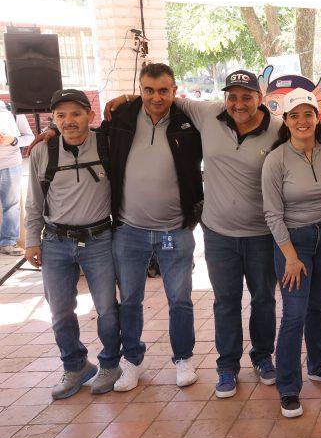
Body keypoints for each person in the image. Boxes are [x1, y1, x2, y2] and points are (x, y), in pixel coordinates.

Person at [108, 70, 283, 398]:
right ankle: (227, 366)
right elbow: (163, 98)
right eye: (233, 96)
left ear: (260, 98)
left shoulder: (277, 128)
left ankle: (262, 357)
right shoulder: (208, 114)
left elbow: (303, 145)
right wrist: (129, 97)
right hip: (217, 234)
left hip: (260, 233)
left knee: (263, 299)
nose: (239, 103)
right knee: (225, 302)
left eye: (247, 97)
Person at [102, 63, 204, 392]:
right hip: (129, 231)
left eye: (163, 90)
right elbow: (91, 139)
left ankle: (183, 359)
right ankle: (132, 361)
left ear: (174, 91)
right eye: (148, 90)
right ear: (140, 90)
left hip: (175, 230)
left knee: (180, 300)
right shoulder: (121, 117)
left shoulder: (189, 122)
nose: (156, 97)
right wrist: (50, 134)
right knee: (129, 300)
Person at [262, 88, 321, 418]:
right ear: (286, 121)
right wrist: (290, 256)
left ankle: (318, 364)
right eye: (295, 115)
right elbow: (272, 215)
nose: (302, 121)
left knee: (317, 305)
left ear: (317, 118)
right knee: (294, 313)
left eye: (308, 114)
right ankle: (288, 386)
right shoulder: (276, 160)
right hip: (295, 244)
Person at [24, 89, 121, 398]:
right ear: (53, 119)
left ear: (90, 116)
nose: (69, 121)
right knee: (60, 311)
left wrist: (126, 98)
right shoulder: (43, 151)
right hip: (55, 241)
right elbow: (34, 201)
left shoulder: (106, 143)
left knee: (107, 308)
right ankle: (76, 365)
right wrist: (31, 241)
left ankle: (110, 364)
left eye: (76, 114)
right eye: (61, 116)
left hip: (99, 239)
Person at [0, 99, 35, 255]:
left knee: (11, 205)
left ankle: (8, 242)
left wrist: (12, 140)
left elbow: (29, 137)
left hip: (10, 165)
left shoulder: (13, 110)